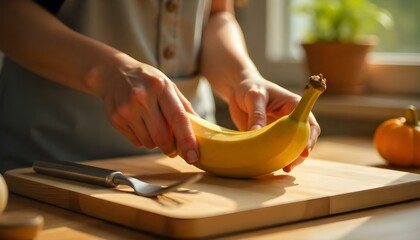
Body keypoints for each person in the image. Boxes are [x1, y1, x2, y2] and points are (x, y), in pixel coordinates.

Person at [0, 0, 320, 173]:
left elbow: (216, 14)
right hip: (47, 166)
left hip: (181, 172)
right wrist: (108, 71)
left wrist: (243, 78)